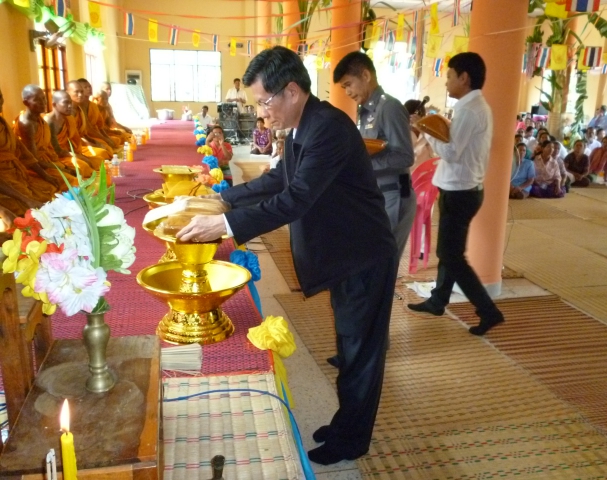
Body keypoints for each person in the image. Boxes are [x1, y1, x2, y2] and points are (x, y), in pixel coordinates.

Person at [176, 46, 396, 465]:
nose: (262, 113)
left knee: (361, 352)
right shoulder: (304, 124)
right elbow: (280, 178)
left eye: (264, 102)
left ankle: (352, 439)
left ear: (291, 91)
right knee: (349, 345)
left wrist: (225, 225)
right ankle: (347, 424)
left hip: (363, 254)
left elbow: (295, 199)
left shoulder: (327, 128)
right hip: (344, 250)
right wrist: (225, 200)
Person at [406, 52, 504, 336]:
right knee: (450, 252)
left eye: (449, 76)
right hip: (461, 189)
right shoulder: (471, 107)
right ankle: (438, 301)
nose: (446, 81)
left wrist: (426, 129)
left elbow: (450, 152)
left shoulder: (470, 110)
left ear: (464, 78)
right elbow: (455, 142)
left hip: (461, 192)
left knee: (451, 255)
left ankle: (488, 311)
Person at [333, 51, 416, 264]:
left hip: (395, 193)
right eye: (344, 88)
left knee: (383, 262)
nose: (347, 92)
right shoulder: (367, 112)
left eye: (349, 84)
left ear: (366, 75)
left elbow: (405, 156)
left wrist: (363, 164)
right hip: (378, 194)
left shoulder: (389, 107)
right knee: (373, 261)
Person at [0, 87, 56, 210]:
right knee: (25, 204)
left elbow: (24, 153)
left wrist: (46, 175)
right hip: (4, 180)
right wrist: (26, 200)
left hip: (16, 172)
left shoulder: (3, 123)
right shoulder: (26, 123)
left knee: (50, 189)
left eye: (0, 97)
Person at [14, 85, 78, 189]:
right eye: (37, 100)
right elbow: (32, 161)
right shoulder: (26, 124)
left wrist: (63, 167)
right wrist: (50, 175)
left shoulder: (39, 119)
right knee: (71, 181)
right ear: (26, 103)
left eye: (44, 98)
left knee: (76, 173)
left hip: (47, 161)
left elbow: (49, 149)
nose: (43, 102)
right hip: (35, 168)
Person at [44, 91, 103, 174]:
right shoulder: (49, 122)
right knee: (83, 166)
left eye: (70, 103)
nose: (70, 106)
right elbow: (58, 151)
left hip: (68, 152)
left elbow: (74, 139)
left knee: (99, 160)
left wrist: (81, 155)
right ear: (54, 104)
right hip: (57, 157)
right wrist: (79, 157)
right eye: (65, 103)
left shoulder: (69, 118)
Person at [404, 97, 436, 171]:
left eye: (418, 118)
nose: (413, 122)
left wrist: (422, 129)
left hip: (427, 174)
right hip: (407, 174)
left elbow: (437, 151)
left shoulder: (429, 132)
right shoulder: (401, 132)